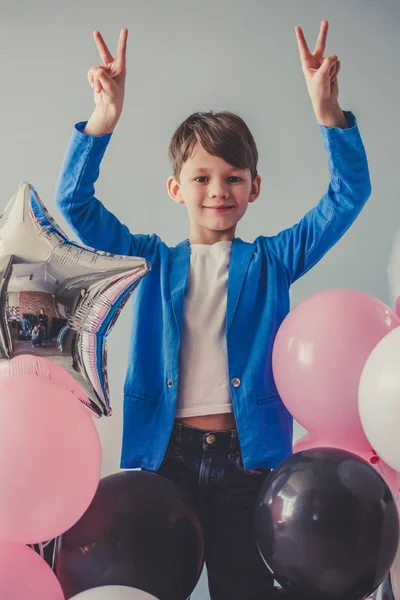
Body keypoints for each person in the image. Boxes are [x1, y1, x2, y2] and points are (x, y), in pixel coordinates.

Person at [54, 20, 371, 600]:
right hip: (163, 456)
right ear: (177, 188)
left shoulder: (272, 260)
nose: (218, 190)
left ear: (254, 188)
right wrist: (101, 122)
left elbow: (348, 196)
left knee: (245, 590)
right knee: (149, 588)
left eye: (233, 177)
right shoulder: (147, 261)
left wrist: (329, 114)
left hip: (246, 468)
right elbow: (75, 200)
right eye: (201, 177)